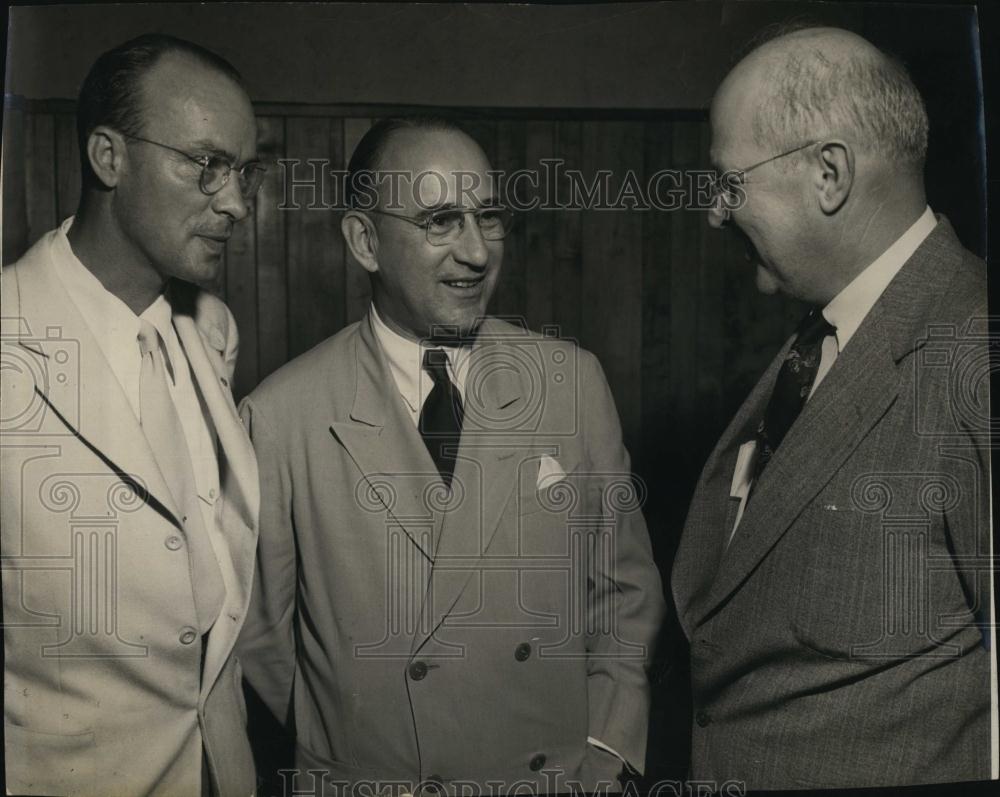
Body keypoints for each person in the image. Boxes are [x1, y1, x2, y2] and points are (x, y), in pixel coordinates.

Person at [237, 117, 665, 794]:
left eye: (487, 216)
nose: (476, 252)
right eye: (440, 221)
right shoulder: (281, 414)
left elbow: (625, 592)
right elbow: (265, 648)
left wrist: (607, 751)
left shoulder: (570, 381)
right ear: (365, 240)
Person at [671, 26, 993, 789]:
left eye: (729, 182)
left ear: (828, 173)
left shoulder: (973, 349)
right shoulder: (820, 336)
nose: (715, 213)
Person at [1, 34, 263, 796]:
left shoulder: (209, 328)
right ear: (108, 158)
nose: (237, 203)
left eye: (245, 172)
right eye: (206, 165)